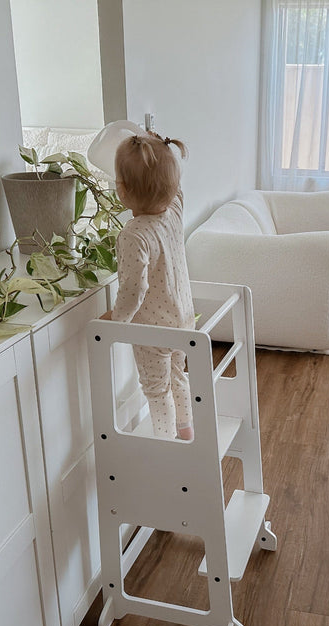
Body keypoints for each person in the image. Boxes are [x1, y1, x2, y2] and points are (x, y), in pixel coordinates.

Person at [107, 131, 195, 440]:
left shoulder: (133, 234)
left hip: (153, 330)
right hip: (184, 320)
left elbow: (133, 290)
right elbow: (175, 188)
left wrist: (117, 321)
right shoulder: (174, 212)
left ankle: (166, 445)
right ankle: (186, 433)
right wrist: (161, 148)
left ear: (121, 189)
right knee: (178, 376)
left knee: (157, 390)